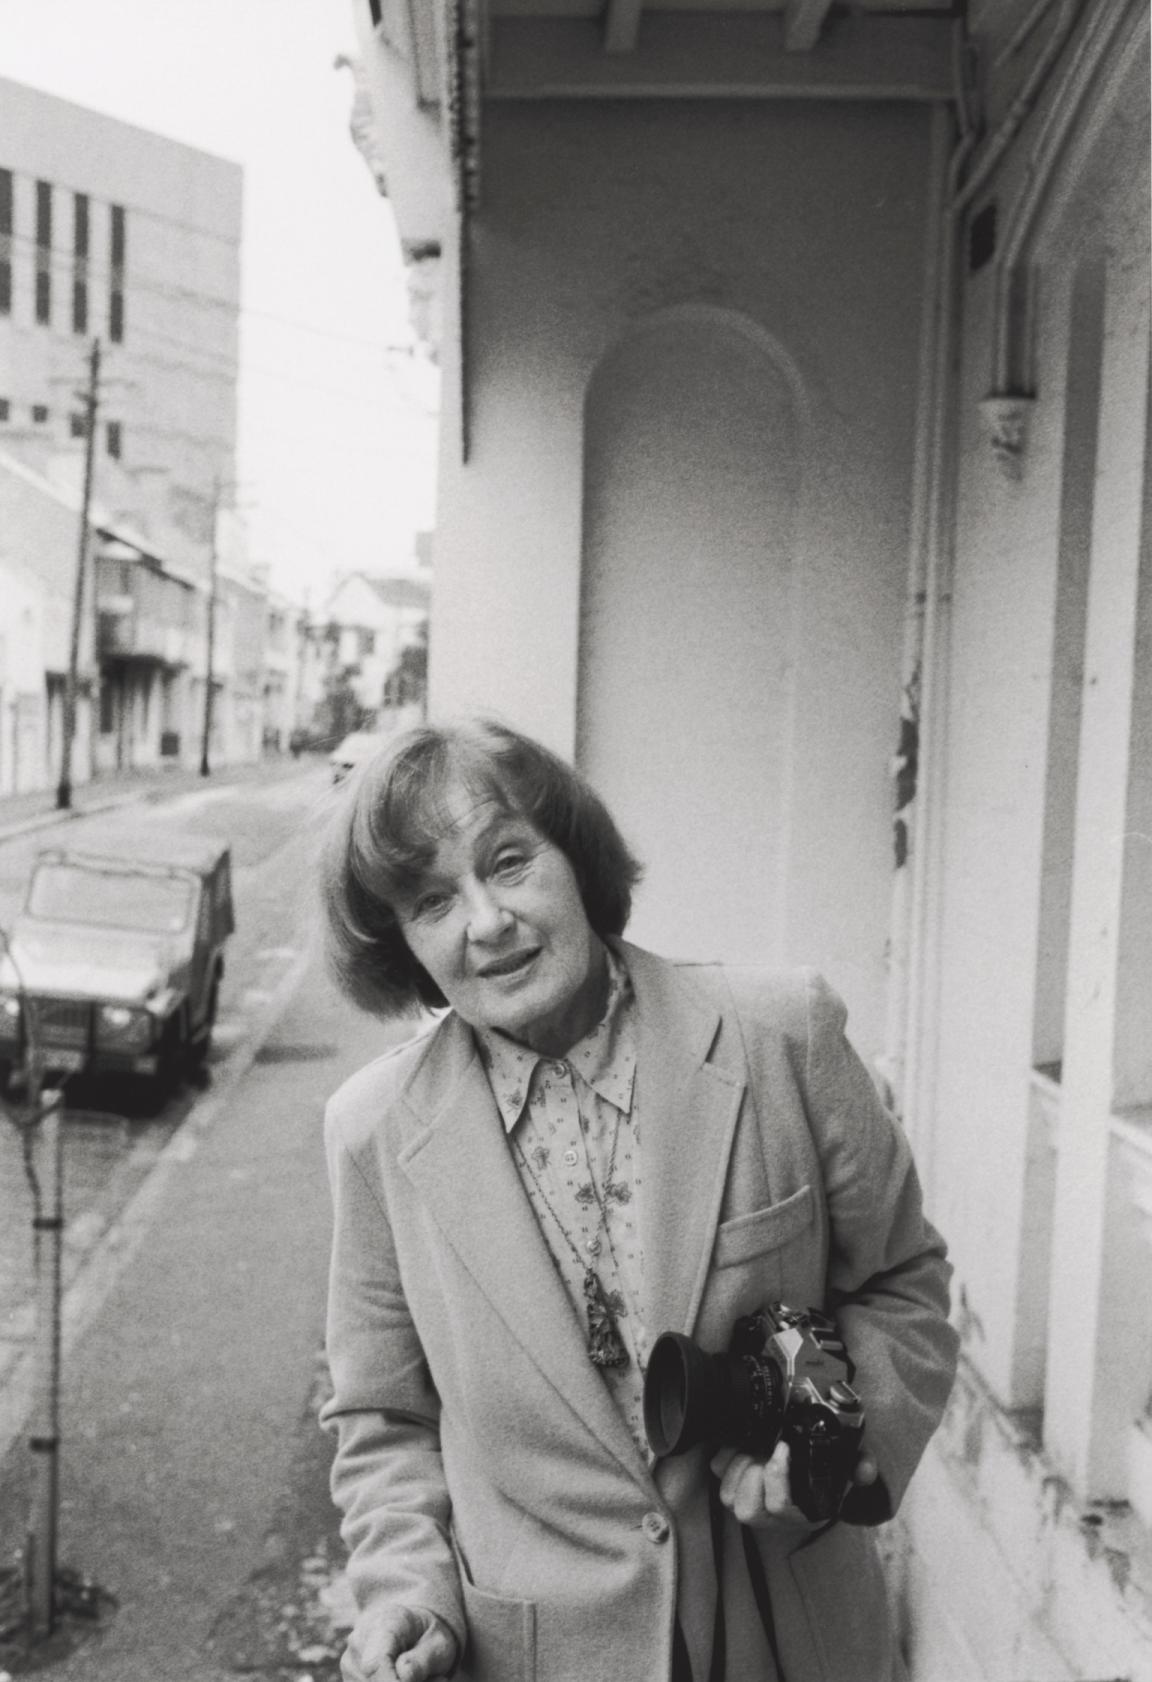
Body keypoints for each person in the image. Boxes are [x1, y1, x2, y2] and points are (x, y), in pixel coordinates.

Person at [318, 718, 958, 1682]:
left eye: (509, 862)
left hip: (790, 1631)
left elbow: (905, 1283)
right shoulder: (373, 1134)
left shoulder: (781, 1036)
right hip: (540, 1654)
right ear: (404, 943)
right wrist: (410, 1592)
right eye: (433, 900)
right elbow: (386, 1420)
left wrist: (830, 1446)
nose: (487, 922)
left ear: (574, 857)